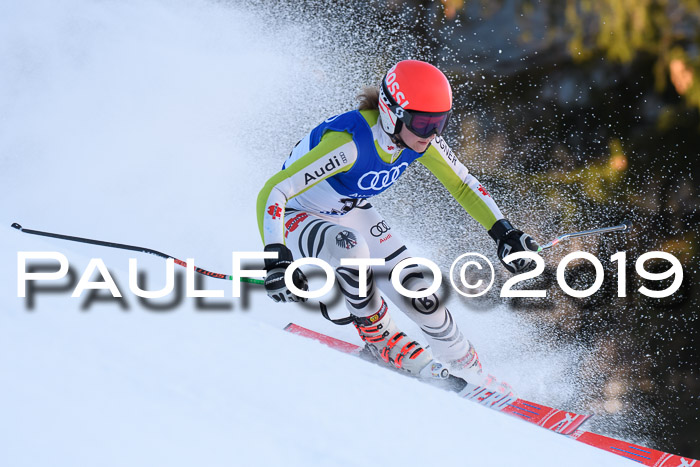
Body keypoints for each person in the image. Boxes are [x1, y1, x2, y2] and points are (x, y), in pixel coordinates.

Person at [257, 60, 539, 383]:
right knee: (352, 249)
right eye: (422, 124)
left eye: (440, 123)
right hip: (294, 215)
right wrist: (276, 259)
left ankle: (468, 366)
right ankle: (380, 338)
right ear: (393, 113)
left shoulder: (418, 139)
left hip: (347, 207)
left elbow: (462, 183)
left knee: (421, 293)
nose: (431, 135)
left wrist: (505, 233)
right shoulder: (351, 144)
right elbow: (273, 191)